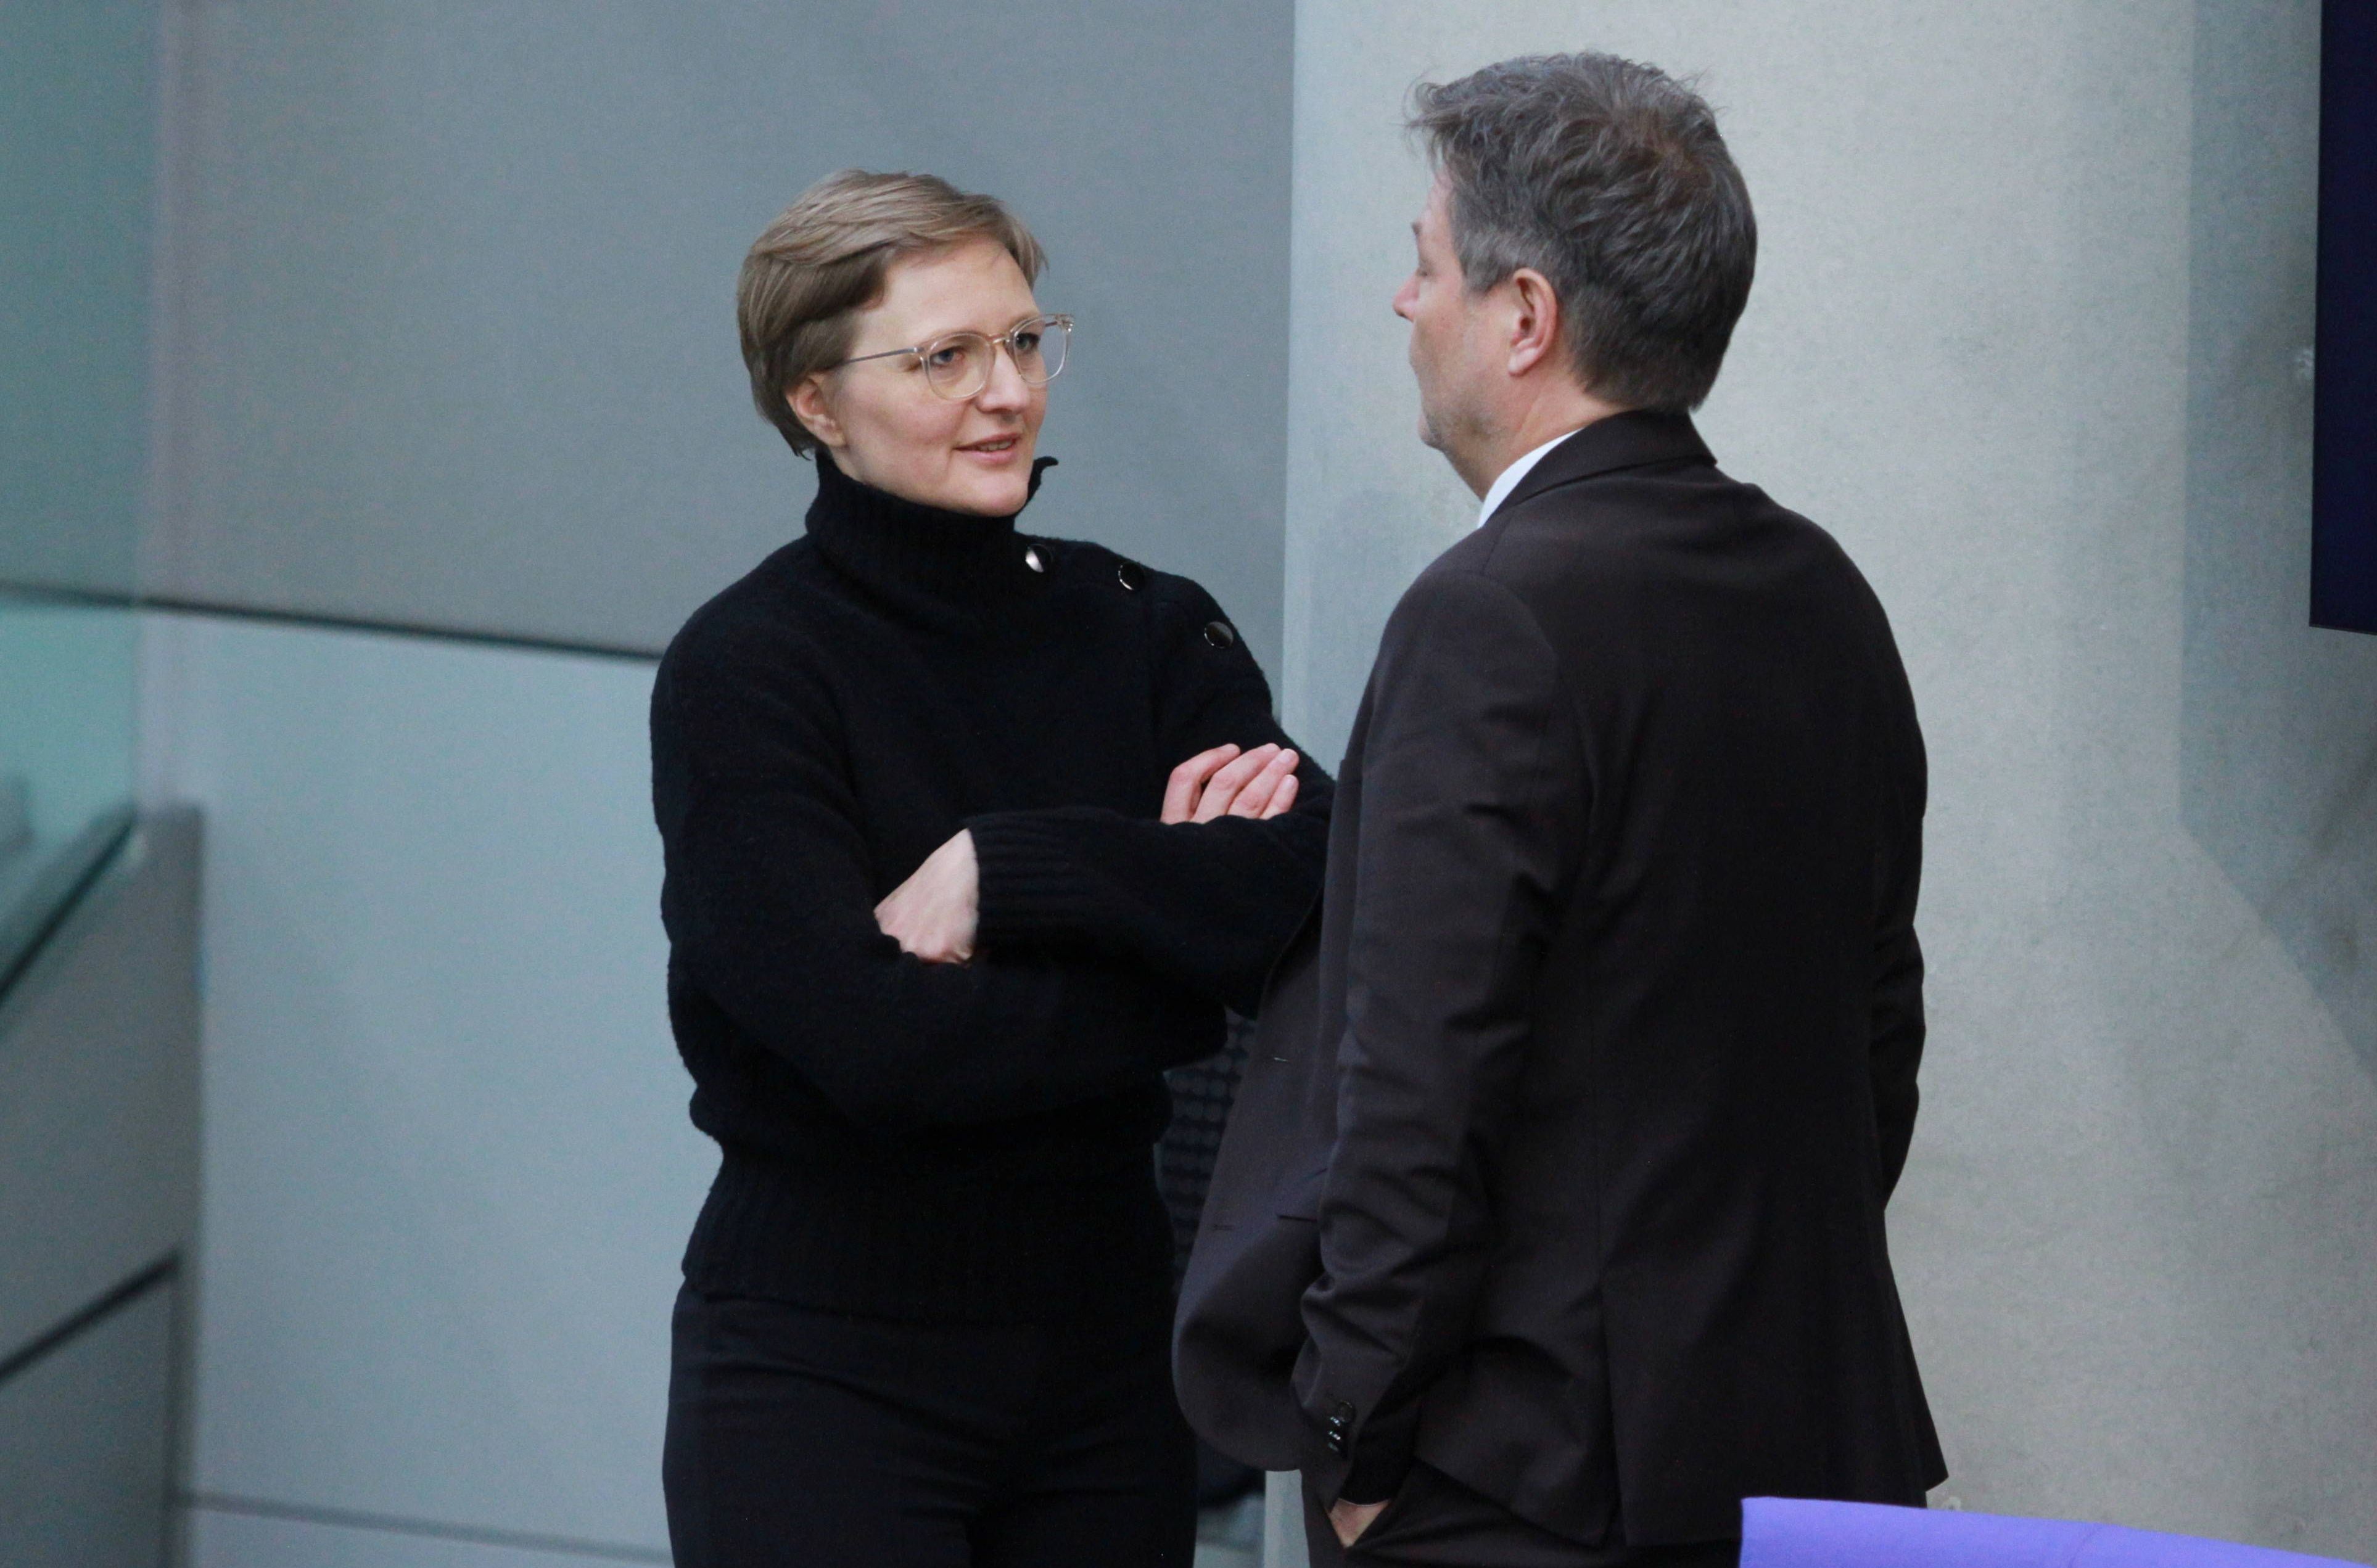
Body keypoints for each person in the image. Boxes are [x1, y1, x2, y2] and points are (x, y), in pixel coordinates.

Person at [1174, 55, 1942, 1566]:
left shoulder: (1490, 617)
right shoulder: (1822, 594)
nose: (1406, 307)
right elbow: (1876, 1043)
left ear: (1523, 318)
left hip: (1523, 1477)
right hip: (1794, 1454)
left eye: (1425, 267)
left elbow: (1416, 1089)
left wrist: (1351, 1445)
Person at [652, 169, 1328, 1567]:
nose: (1006, 391)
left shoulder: (1146, 627)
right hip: (822, 1370)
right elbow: (877, 1050)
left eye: (1025, 341)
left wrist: (1009, 872)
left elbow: (1314, 882)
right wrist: (1172, 983)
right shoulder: (748, 673)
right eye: (942, 357)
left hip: (1107, 1363)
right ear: (815, 402)